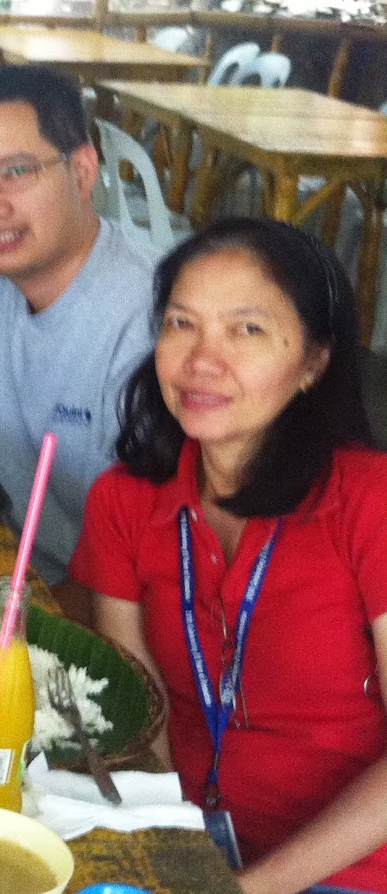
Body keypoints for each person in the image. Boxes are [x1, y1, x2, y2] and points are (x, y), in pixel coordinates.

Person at [71, 218, 387, 894]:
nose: (201, 360)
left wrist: (246, 888)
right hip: (183, 844)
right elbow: (142, 709)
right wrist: (173, 853)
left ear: (314, 361)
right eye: (181, 323)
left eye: (246, 329)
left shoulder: (371, 502)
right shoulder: (124, 501)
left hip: (348, 873)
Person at [0, 64, 154, 618]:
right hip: (2, 575)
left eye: (15, 172)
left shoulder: (148, 321)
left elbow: (138, 570)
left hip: (88, 615)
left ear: (82, 172)